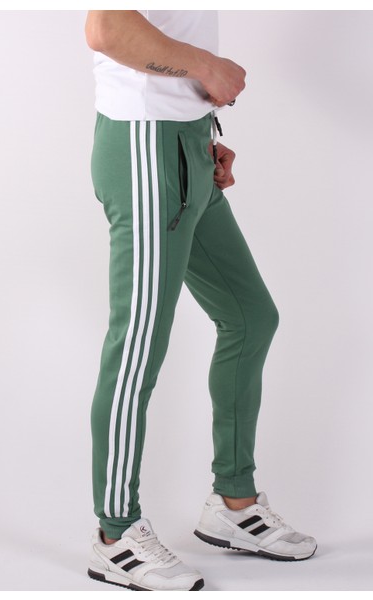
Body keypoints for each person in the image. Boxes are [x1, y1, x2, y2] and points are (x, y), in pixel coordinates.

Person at [84, 10, 317, 592]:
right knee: (137, 346)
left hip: (185, 145)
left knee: (249, 317)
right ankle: (115, 535)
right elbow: (108, 30)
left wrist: (197, 132)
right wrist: (208, 68)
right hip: (144, 147)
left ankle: (233, 504)